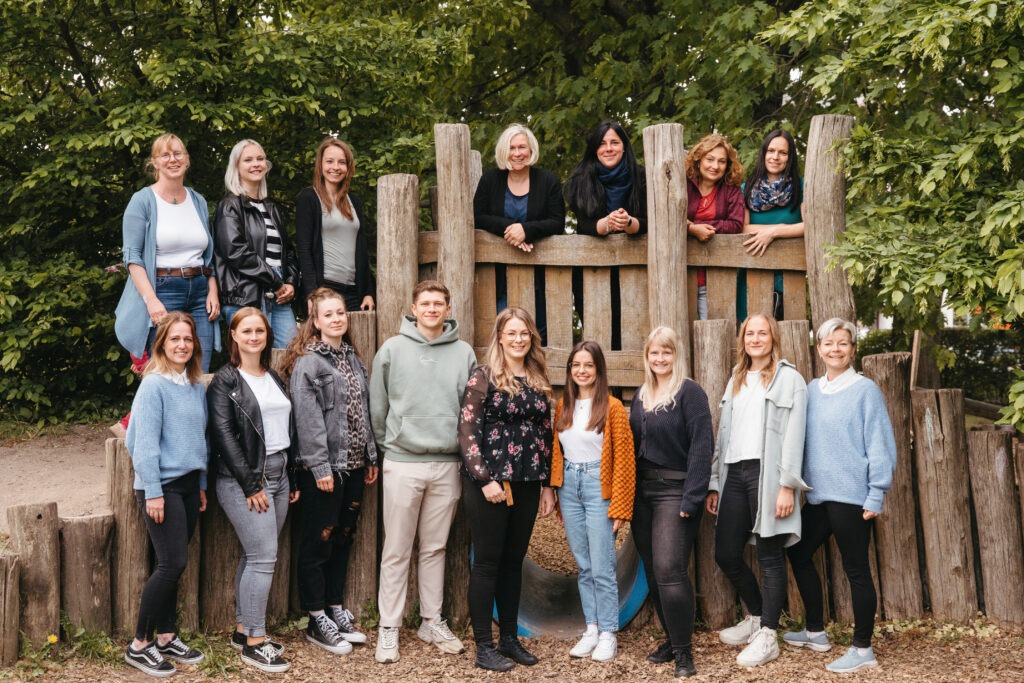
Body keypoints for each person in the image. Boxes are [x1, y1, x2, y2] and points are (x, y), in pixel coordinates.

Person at [369, 280, 477, 664]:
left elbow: (470, 411)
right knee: (396, 549)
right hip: (402, 460)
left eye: (438, 304)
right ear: (413, 308)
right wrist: (391, 445)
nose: (432, 309)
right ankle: (389, 627)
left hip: (447, 463)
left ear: (448, 309)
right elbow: (377, 406)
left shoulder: (464, 353)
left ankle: (431, 620)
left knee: (435, 547)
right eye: (425, 303)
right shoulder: (392, 349)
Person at [783, 318, 896, 673]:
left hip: (851, 498)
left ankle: (863, 650)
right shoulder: (812, 389)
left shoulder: (865, 391)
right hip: (818, 496)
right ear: (819, 348)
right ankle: (815, 630)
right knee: (798, 551)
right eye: (829, 343)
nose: (836, 349)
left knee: (856, 570)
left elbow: (881, 445)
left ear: (852, 348)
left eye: (843, 343)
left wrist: (875, 495)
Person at [706, 313, 809, 668]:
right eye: (750, 333)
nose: (756, 338)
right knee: (726, 553)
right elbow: (723, 434)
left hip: (768, 475)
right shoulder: (736, 379)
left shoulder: (790, 380)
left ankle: (769, 635)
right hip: (734, 472)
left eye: (762, 333)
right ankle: (755, 617)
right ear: (743, 340)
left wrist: (787, 487)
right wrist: (715, 482)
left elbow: (796, 437)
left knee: (768, 554)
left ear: (773, 338)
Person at [458, 307, 556, 671]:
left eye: (524, 333)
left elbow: (546, 436)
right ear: (499, 336)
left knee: (514, 563)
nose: (518, 339)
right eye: (511, 333)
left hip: (528, 482)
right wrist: (484, 480)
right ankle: (484, 645)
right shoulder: (483, 376)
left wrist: (547, 485)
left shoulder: (537, 376)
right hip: (490, 484)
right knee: (487, 564)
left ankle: (510, 639)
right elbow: (467, 432)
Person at [281, 288, 379, 655]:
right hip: (324, 469)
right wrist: (320, 466)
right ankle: (316, 616)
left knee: (342, 536)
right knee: (318, 540)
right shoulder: (310, 363)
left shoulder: (353, 358)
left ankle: (335, 606)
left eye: (341, 312)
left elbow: (362, 412)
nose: (337, 318)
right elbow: (307, 421)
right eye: (329, 314)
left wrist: (370, 457)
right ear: (316, 321)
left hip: (354, 466)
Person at [208, 307, 299, 673]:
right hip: (245, 479)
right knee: (264, 559)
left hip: (279, 475)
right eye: (246, 331)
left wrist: (289, 475)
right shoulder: (225, 382)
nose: (254, 337)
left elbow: (283, 430)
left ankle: (244, 629)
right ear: (233, 335)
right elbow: (224, 436)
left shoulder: (272, 376)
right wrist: (250, 484)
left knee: (253, 555)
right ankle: (256, 644)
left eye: (259, 330)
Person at [112, 133, 220, 437]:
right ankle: (143, 435)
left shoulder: (197, 200)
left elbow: (208, 253)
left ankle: (187, 443)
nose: (172, 159)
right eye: (165, 155)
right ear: (154, 162)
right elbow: (132, 258)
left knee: (198, 370)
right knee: (166, 370)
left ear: (186, 159)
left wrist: (212, 288)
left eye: (178, 153)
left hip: (200, 290)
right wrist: (151, 300)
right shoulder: (143, 200)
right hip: (163, 288)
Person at [123, 312, 208, 678]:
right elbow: (141, 447)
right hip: (162, 488)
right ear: (161, 343)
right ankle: (139, 644)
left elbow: (200, 440)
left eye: (187, 339)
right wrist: (154, 492)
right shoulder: (153, 385)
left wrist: (202, 485)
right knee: (171, 563)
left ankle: (166, 635)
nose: (182, 345)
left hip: (189, 485)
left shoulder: (194, 384)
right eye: (174, 339)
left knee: (174, 565)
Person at [629, 327, 713, 678]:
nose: (660, 359)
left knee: (669, 569)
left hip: (674, 491)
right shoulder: (642, 394)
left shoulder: (689, 392)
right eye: (654, 353)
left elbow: (702, 446)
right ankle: (670, 638)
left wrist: (692, 496)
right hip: (642, 495)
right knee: (652, 570)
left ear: (676, 355)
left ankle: (684, 655)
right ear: (646, 357)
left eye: (667, 353)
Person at [550, 341, 635, 663]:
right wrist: (558, 496)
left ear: (598, 369)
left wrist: (621, 506)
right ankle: (591, 627)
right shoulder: (563, 406)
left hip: (600, 484)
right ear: (570, 371)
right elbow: (556, 454)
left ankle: (609, 633)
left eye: (588, 365)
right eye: (576, 366)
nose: (582, 371)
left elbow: (625, 459)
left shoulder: (612, 408)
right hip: (570, 486)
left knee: (602, 566)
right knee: (583, 565)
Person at [473, 124, 565, 337]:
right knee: (501, 331)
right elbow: (477, 217)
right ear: (504, 151)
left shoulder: (547, 180)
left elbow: (557, 222)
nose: (517, 153)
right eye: (512, 148)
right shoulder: (490, 180)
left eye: (522, 147)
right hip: (496, 275)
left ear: (531, 150)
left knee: (537, 331)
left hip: (540, 275)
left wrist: (527, 230)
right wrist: (510, 230)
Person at [565, 120, 646, 349]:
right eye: (602, 143)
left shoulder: (641, 177)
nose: (608, 148)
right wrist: (607, 224)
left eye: (614, 142)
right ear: (594, 149)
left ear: (624, 146)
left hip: (634, 269)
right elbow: (583, 224)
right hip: (592, 271)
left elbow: (650, 220)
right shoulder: (581, 180)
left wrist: (629, 223)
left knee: (632, 335)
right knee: (597, 335)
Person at [213, 139, 299, 347]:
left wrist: (290, 282)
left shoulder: (271, 208)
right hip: (247, 295)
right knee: (254, 361)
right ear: (236, 167)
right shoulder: (229, 206)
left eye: (260, 159)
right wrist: (276, 282)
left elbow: (286, 252)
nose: (256, 164)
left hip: (278, 294)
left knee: (291, 357)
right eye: (248, 160)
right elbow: (236, 252)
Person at [295, 137, 375, 311]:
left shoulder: (354, 201)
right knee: (326, 338)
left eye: (342, 162)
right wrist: (311, 293)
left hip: (355, 291)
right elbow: (304, 249)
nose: (335, 167)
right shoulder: (309, 198)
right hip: (324, 290)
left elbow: (362, 249)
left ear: (348, 167)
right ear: (320, 165)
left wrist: (368, 292)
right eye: (329, 161)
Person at [742, 129, 805, 320]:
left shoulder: (801, 187)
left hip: (788, 275)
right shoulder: (747, 188)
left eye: (783, 153)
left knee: (784, 334)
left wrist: (775, 232)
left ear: (790, 157)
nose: (775, 157)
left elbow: (809, 226)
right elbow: (743, 228)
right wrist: (788, 229)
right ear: (763, 154)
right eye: (771, 151)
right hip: (752, 271)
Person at [685, 133, 745, 320]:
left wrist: (698, 225)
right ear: (698, 159)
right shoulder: (683, 184)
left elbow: (736, 224)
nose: (715, 166)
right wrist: (692, 230)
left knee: (709, 328)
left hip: (714, 274)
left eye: (721, 161)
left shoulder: (731, 189)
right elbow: (668, 217)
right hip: (680, 270)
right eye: (710, 159)